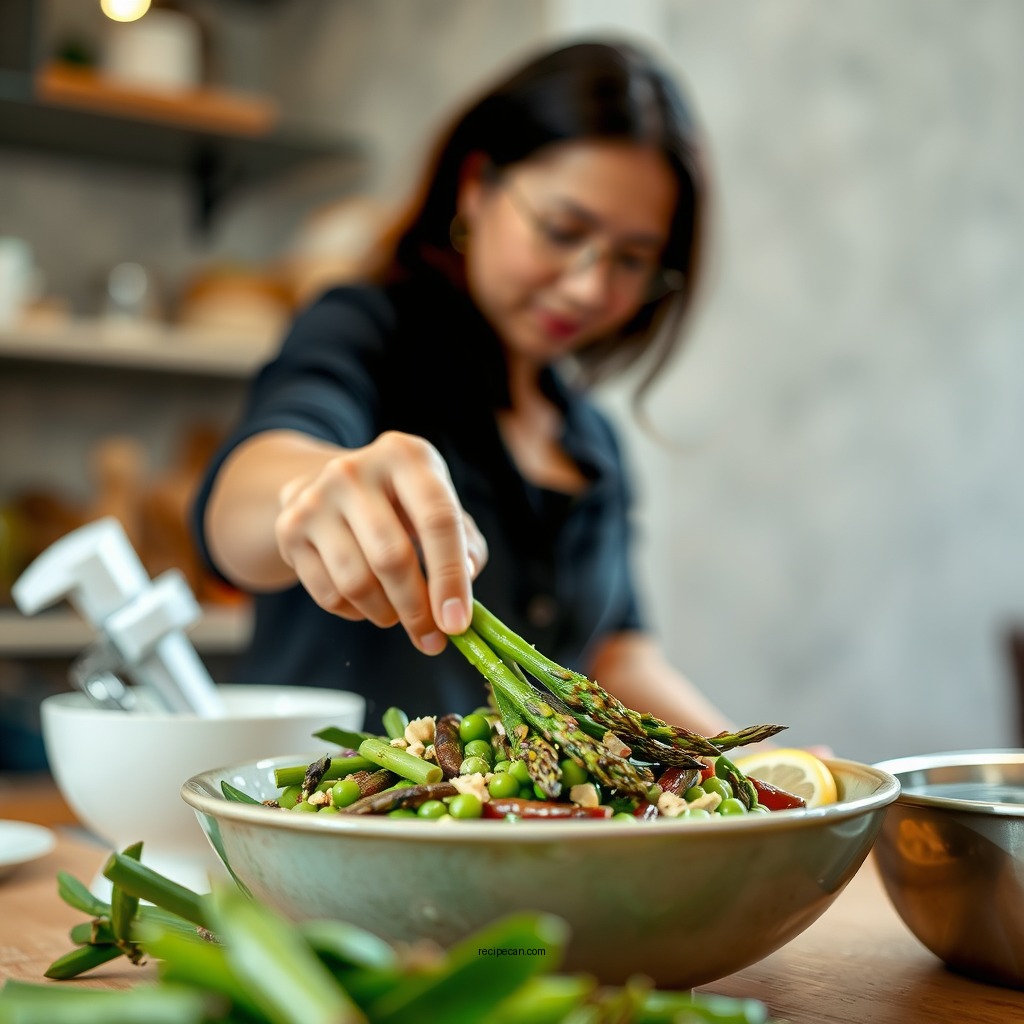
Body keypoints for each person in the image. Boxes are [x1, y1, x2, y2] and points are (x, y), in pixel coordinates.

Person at [191, 37, 735, 737]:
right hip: (330, 831)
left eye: (633, 259)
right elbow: (240, 504)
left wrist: (744, 771)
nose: (589, 285)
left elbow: (618, 657)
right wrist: (314, 488)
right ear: (477, 188)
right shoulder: (366, 328)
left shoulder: (592, 442)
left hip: (524, 843)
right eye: (564, 230)